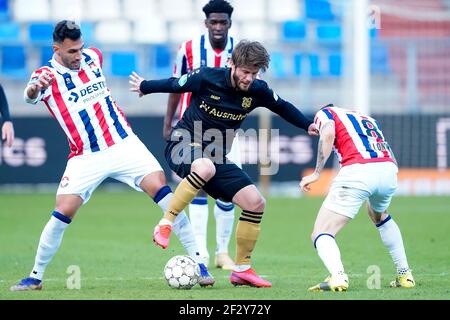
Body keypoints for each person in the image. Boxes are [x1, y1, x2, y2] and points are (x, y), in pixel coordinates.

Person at [10, 20, 214, 291]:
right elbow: (29, 95)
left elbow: (91, 66)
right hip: (86, 156)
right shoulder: (45, 76)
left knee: (164, 192)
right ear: (56, 49)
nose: (78, 56)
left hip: (123, 143)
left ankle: (199, 262)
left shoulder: (94, 57)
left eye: (80, 49)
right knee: (62, 212)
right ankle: (35, 276)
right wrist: (35, 88)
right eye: (72, 52)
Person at [130, 40, 318, 287]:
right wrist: (145, 86)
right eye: (245, 71)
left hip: (216, 156)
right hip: (181, 144)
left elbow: (282, 107)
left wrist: (308, 124)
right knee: (205, 167)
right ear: (232, 64)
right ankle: (166, 224)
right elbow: (175, 84)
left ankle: (241, 269)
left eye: (254, 73)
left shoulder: (257, 90)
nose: (249, 78)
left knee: (256, 202)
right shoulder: (207, 77)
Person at [300, 104, 415, 292]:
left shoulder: (325, 113)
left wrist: (317, 173)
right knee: (378, 214)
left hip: (358, 170)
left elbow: (327, 134)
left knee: (321, 232)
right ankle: (405, 274)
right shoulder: (365, 118)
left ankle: (338, 277)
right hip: (388, 169)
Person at [164, 0, 238, 270]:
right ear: (206, 23)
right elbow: (175, 86)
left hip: (226, 130)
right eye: (213, 22)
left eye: (223, 22)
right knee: (197, 187)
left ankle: (223, 252)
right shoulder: (188, 49)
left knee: (226, 193)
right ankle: (201, 254)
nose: (218, 27)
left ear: (230, 23)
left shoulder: (239, 50)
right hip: (192, 128)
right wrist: (168, 122)